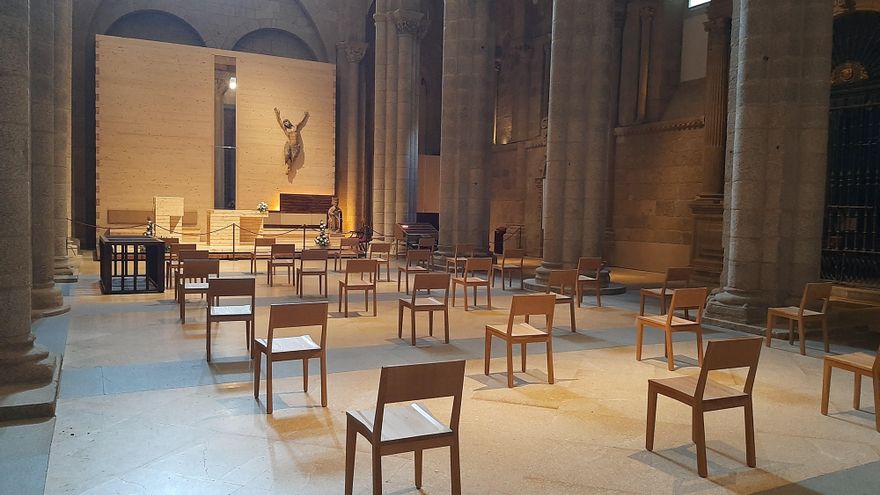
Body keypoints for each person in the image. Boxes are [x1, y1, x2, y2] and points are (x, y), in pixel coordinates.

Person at [274, 107, 309, 175]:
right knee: (287, 155)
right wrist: (277, 114)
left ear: (289, 122)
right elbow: (280, 122)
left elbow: (301, 122)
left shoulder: (295, 127)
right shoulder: (286, 130)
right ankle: (289, 168)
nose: (286, 123)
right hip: (289, 144)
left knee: (293, 158)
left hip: (295, 146)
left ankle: (289, 168)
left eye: (286, 122)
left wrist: (305, 116)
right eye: (285, 123)